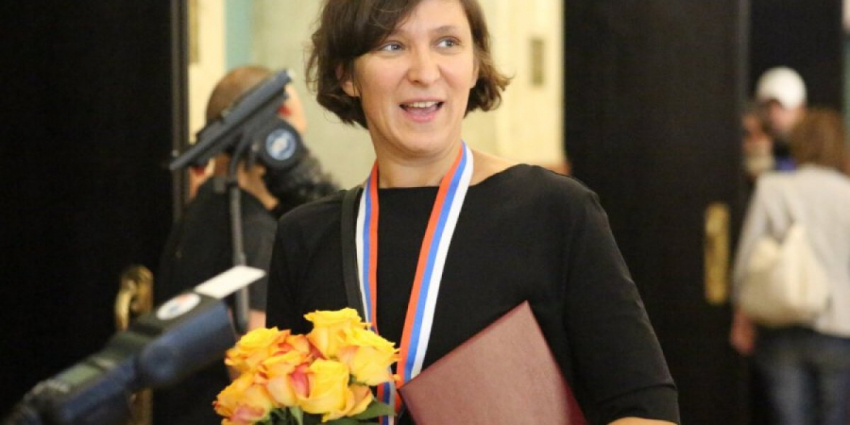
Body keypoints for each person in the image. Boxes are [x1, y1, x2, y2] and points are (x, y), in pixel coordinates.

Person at [265, 1, 679, 424]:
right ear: (347, 75)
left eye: (447, 42)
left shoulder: (553, 212)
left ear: (476, 64)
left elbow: (645, 411)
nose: (425, 72)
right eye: (392, 46)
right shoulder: (305, 236)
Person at [154, 65, 338, 424]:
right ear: (271, 139)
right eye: (295, 141)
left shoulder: (199, 211)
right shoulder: (253, 234)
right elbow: (255, 382)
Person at [729, 108, 850, 424]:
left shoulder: (772, 188)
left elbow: (748, 259)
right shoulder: (847, 194)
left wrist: (741, 315)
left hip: (779, 320)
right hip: (839, 325)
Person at [754, 66, 808, 171]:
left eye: (782, 107)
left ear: (801, 109)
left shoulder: (814, 154)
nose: (773, 115)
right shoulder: (749, 147)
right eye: (767, 106)